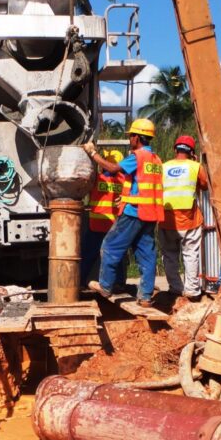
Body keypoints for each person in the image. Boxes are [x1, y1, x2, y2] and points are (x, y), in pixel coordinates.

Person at [84, 118, 164, 308]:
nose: (130, 140)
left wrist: (92, 153)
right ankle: (145, 296)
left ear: (137, 137)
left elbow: (112, 168)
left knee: (110, 246)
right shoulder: (156, 159)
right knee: (146, 254)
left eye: (131, 137)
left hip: (133, 212)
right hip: (150, 214)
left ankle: (105, 286)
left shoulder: (137, 156)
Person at [159, 134, 208, 302]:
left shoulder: (163, 167)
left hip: (167, 219)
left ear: (175, 150)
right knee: (190, 254)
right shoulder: (196, 166)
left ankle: (175, 288)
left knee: (169, 255)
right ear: (192, 152)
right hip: (190, 220)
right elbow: (205, 185)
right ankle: (192, 291)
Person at [80, 147, 126, 285]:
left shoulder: (97, 179)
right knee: (116, 256)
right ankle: (118, 284)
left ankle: (80, 283)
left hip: (96, 226)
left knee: (88, 256)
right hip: (114, 226)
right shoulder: (124, 181)